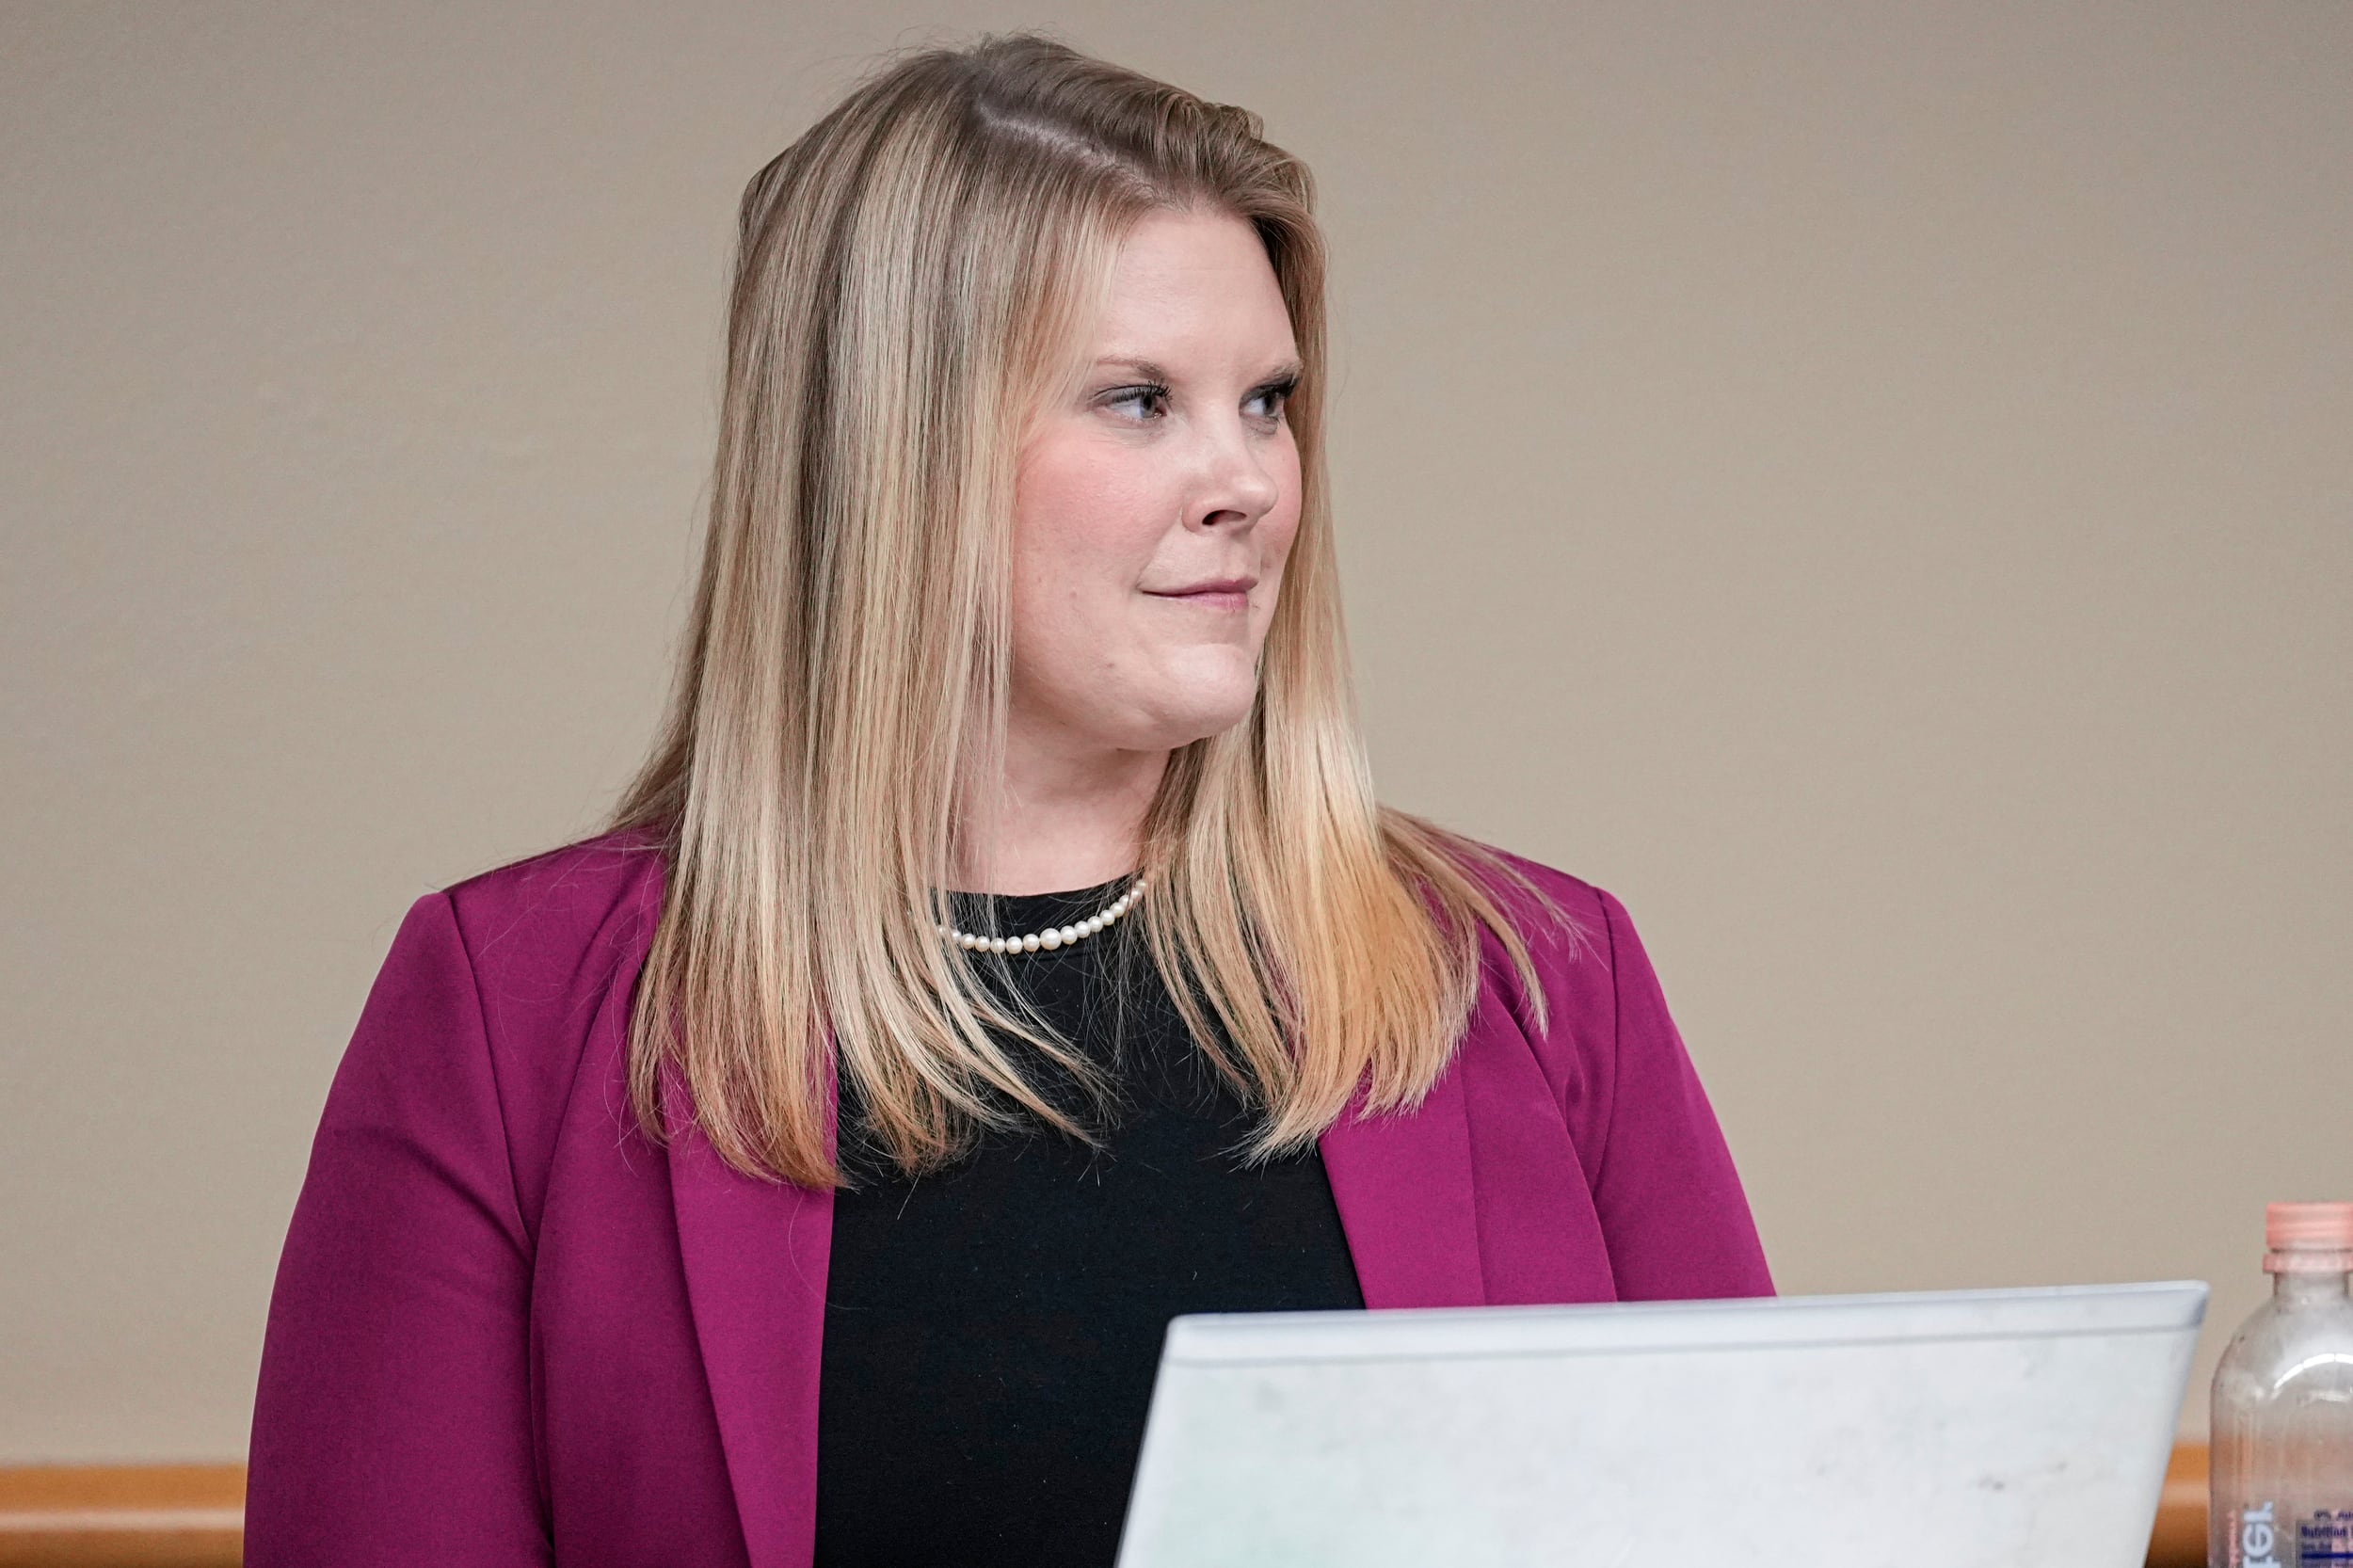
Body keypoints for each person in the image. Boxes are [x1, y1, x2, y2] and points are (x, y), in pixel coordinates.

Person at [244, 32, 1770, 1568]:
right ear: (895, 452)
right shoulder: (511, 1020)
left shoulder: (1540, 980)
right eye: (1138, 400)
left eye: (1267, 399)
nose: (1247, 479)